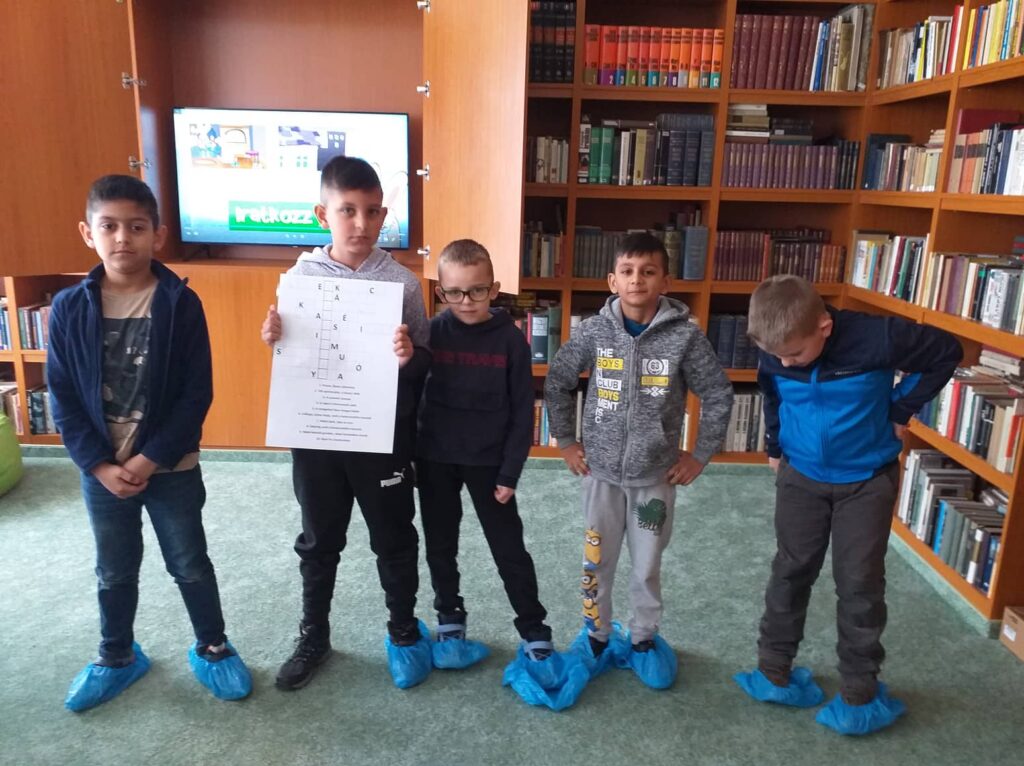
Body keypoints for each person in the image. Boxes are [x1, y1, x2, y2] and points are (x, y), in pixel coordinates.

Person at [49, 175, 252, 711]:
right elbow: (62, 395)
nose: (123, 238)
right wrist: (99, 466)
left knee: (190, 562)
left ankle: (213, 646)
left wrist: (148, 459)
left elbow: (196, 394)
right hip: (102, 472)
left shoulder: (181, 303)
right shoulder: (69, 308)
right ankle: (117, 655)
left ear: (157, 234)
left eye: (137, 227)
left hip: (171, 468)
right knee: (114, 569)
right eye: (109, 226)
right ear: (88, 233)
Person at [733, 274, 961, 735]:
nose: (784, 362)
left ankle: (859, 691)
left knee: (859, 583)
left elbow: (946, 352)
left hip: (866, 481)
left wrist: (901, 408)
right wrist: (775, 445)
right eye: (776, 355)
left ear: (824, 326)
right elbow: (772, 393)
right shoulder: (777, 347)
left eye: (794, 354)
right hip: (801, 477)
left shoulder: (877, 337)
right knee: (790, 570)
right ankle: (773, 669)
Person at [260, 155, 432, 690]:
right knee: (319, 540)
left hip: (382, 439)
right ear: (323, 214)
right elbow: (293, 363)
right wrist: (274, 338)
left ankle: (403, 630)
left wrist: (410, 357)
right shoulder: (300, 279)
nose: (361, 223)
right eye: (348, 210)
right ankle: (314, 635)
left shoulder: (402, 283)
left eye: (373, 211)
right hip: (317, 441)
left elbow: (426, 362)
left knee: (395, 537)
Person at [544, 231, 734, 689]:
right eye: (627, 272)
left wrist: (700, 454)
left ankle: (644, 637)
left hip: (654, 479)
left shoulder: (685, 337)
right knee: (597, 561)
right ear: (613, 281)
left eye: (648, 272)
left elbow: (717, 392)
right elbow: (558, 380)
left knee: (647, 564)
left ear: (665, 281)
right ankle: (596, 635)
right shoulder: (594, 331)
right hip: (601, 475)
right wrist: (566, 440)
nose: (637, 281)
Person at [415, 239, 587, 709]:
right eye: (455, 292)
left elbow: (520, 413)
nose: (466, 301)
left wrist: (510, 472)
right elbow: (414, 396)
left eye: (477, 290)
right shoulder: (431, 332)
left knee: (509, 549)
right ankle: (449, 617)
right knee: (440, 545)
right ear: (441, 292)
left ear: (494, 289)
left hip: (490, 465)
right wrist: (412, 456)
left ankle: (534, 629)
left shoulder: (511, 340)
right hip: (435, 461)